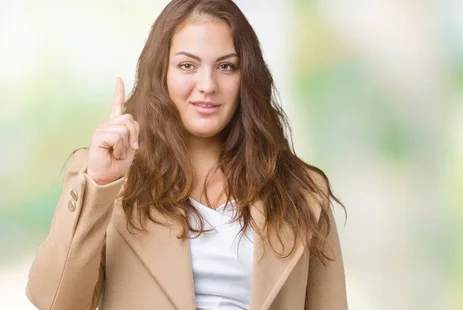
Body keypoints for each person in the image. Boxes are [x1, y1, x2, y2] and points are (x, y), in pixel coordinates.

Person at [25, 0, 347, 309]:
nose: (207, 84)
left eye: (225, 66)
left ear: (246, 76)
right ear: (161, 74)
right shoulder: (106, 176)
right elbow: (56, 303)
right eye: (187, 65)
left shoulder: (303, 192)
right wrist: (99, 184)